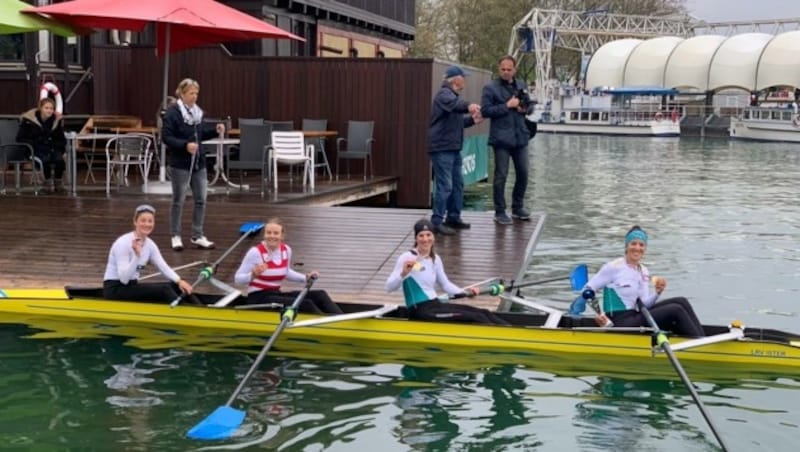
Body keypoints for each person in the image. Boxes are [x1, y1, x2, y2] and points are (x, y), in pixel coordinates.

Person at [582, 225, 705, 337]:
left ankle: (702, 338)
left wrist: (657, 292)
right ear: (627, 246)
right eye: (633, 244)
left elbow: (644, 305)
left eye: (641, 245)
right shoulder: (613, 267)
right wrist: (600, 315)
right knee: (675, 310)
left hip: (635, 316)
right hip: (618, 322)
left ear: (645, 248)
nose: (637, 248)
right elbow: (587, 290)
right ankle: (700, 346)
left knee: (681, 301)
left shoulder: (643, 271)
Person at [385, 219, 509, 325]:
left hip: (435, 305)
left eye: (428, 235)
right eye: (421, 235)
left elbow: (445, 285)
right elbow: (389, 288)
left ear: (433, 237)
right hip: (420, 311)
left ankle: (510, 331)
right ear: (416, 238)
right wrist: (403, 274)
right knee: (477, 318)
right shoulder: (407, 258)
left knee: (484, 313)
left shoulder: (435, 259)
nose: (425, 239)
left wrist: (466, 292)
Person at [161, 78, 225, 251]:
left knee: (201, 200)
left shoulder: (197, 113)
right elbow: (166, 138)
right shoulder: (172, 113)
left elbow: (201, 133)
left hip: (199, 163)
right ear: (182, 94)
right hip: (180, 163)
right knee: (178, 200)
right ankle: (175, 235)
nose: (194, 97)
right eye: (191, 93)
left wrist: (214, 130)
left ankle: (197, 235)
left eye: (196, 93)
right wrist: (185, 145)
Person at [234, 218, 343, 314]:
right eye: (269, 233)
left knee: (320, 295)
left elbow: (286, 272)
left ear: (282, 236)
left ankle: (344, 321)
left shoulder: (286, 250)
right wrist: (253, 275)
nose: (272, 236)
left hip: (275, 294)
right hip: (258, 298)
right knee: (306, 304)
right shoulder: (255, 252)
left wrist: (306, 278)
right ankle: (332, 328)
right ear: (264, 235)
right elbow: (238, 279)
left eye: (276, 233)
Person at [427, 65, 483, 236]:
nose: (465, 80)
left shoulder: (452, 99)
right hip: (442, 149)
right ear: (456, 79)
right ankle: (436, 222)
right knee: (445, 186)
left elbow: (458, 122)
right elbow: (456, 105)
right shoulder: (445, 95)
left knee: (457, 184)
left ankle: (453, 217)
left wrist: (472, 120)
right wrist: (470, 106)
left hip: (452, 148)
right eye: (463, 77)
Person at [480, 55, 536, 225]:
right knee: (501, 175)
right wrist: (507, 106)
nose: (505, 72)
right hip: (501, 139)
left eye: (508, 69)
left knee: (524, 173)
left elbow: (530, 105)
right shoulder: (490, 88)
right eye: (502, 69)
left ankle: (517, 207)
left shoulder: (521, 84)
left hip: (520, 136)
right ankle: (500, 210)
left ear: (514, 69)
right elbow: (486, 111)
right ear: (499, 69)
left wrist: (525, 108)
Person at [103, 204, 195, 303]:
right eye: (143, 221)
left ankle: (200, 309)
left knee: (175, 286)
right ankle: (188, 313)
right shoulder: (122, 243)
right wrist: (137, 256)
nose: (147, 224)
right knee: (164, 290)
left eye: (150, 221)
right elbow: (124, 279)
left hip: (132, 286)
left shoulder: (150, 245)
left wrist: (180, 281)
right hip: (115, 289)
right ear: (135, 222)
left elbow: (163, 267)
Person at [16, 98, 67, 194]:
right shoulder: (28, 121)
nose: (49, 110)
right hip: (34, 148)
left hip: (51, 147)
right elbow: (20, 138)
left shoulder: (55, 121)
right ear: (41, 108)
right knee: (45, 160)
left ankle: (59, 185)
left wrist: (59, 148)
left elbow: (61, 139)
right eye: (46, 108)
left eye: (51, 108)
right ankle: (45, 185)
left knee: (59, 160)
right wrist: (35, 143)